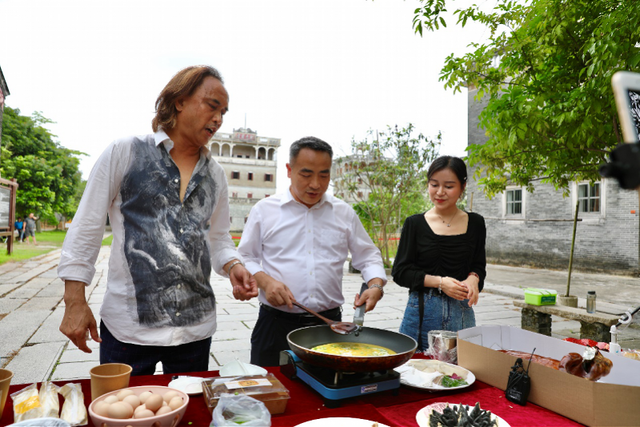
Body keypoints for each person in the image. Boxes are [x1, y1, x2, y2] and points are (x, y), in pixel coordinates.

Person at [58, 65, 257, 376]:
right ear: (179, 101)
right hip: (128, 329)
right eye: (212, 106)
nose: (219, 119)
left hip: (195, 331)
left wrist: (234, 266)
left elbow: (217, 240)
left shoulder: (215, 175)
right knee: (122, 419)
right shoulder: (125, 152)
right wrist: (74, 301)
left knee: (190, 418)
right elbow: (87, 227)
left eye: (224, 112)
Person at [238, 136, 388, 367]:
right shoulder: (265, 210)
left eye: (324, 175)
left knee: (325, 391)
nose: (316, 184)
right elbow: (245, 256)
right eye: (306, 174)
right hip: (275, 323)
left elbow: (368, 256)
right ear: (289, 170)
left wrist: (375, 285)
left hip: (329, 325)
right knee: (270, 392)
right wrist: (265, 281)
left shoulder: (343, 212)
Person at [392, 156, 486, 351]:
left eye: (449, 186)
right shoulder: (415, 223)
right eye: (434, 185)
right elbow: (400, 272)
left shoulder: (476, 223)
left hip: (462, 312)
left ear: (462, 186)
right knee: (416, 370)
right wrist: (441, 282)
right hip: (422, 311)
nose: (440, 192)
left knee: (460, 371)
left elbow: (478, 265)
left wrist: (474, 278)